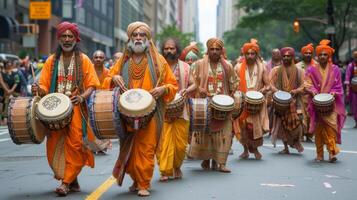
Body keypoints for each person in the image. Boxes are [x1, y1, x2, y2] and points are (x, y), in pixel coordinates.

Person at [103, 22, 178, 197]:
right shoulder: (123, 62)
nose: (138, 38)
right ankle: (136, 180)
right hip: (126, 113)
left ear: (147, 39)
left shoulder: (159, 61)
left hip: (150, 114)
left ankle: (144, 183)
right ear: (130, 38)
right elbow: (106, 80)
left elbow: (172, 84)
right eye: (135, 35)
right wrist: (114, 77)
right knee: (129, 148)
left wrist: (163, 89)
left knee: (146, 148)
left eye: (141, 35)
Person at [31, 21, 100, 196]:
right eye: (64, 36)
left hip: (76, 107)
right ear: (59, 38)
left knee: (75, 145)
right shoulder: (51, 61)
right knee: (55, 146)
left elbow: (92, 84)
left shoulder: (84, 60)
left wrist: (82, 97)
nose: (67, 39)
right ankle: (72, 179)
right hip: (54, 110)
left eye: (70, 36)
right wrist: (38, 90)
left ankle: (66, 182)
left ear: (76, 39)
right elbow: (45, 86)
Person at [188, 38, 237, 172]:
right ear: (208, 50)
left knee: (224, 133)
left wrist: (230, 95)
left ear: (221, 51)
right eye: (212, 49)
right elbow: (191, 81)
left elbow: (234, 83)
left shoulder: (228, 66)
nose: (215, 51)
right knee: (206, 133)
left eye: (217, 49)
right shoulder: (198, 65)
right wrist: (199, 89)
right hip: (205, 105)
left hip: (223, 106)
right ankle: (206, 159)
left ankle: (221, 163)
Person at [156, 38, 196, 181]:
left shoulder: (185, 67)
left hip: (181, 109)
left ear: (177, 50)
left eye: (172, 48)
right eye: (166, 48)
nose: (169, 51)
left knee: (180, 145)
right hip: (162, 109)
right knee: (163, 142)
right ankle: (164, 171)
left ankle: (177, 167)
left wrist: (186, 89)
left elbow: (194, 84)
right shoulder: (157, 66)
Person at [304, 39, 346, 162]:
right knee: (319, 130)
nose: (322, 56)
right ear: (317, 56)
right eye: (320, 54)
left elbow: (338, 86)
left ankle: (332, 153)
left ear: (329, 56)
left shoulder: (335, 69)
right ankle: (319, 154)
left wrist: (333, 93)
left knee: (331, 128)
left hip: (331, 104)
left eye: (325, 54)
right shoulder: (311, 70)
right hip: (316, 104)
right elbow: (307, 83)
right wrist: (313, 91)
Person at [233, 39, 269, 160]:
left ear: (256, 54)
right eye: (247, 53)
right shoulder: (238, 67)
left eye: (252, 53)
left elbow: (268, 85)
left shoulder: (262, 67)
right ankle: (245, 150)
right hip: (243, 102)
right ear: (244, 54)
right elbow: (233, 84)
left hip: (257, 103)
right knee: (243, 126)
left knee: (254, 127)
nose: (250, 56)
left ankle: (255, 149)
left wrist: (261, 92)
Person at [270, 47, 304, 154]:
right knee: (282, 126)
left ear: (292, 57)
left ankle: (296, 141)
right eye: (284, 56)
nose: (286, 58)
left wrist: (296, 90)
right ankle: (286, 147)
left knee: (296, 125)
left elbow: (304, 85)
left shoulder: (299, 70)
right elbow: (270, 84)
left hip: (294, 102)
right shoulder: (276, 70)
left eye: (288, 56)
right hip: (281, 103)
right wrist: (279, 93)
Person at [90, 50, 112, 154]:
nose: (98, 59)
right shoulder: (88, 71)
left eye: (101, 57)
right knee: (90, 124)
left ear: (104, 59)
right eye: (96, 57)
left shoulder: (109, 72)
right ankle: (92, 146)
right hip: (89, 100)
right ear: (92, 59)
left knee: (103, 123)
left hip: (103, 101)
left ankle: (102, 146)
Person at [296, 43, 317, 142]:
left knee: (311, 115)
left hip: (313, 95)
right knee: (301, 115)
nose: (308, 54)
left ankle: (309, 134)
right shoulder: (298, 66)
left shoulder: (316, 65)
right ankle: (301, 134)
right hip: (301, 95)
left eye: (310, 53)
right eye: (306, 53)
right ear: (302, 54)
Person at [1, 60, 21, 125]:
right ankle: (4, 118)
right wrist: (7, 91)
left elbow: (17, 81)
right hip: (5, 92)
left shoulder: (15, 73)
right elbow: (2, 83)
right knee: (6, 101)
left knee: (13, 101)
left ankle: (15, 117)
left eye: (10, 64)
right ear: (5, 65)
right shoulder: (2, 73)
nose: (9, 65)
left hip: (15, 92)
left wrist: (11, 90)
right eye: (7, 64)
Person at [345, 51, 357, 128]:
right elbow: (347, 77)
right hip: (354, 89)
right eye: (356, 57)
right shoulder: (350, 65)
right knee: (355, 106)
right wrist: (347, 89)